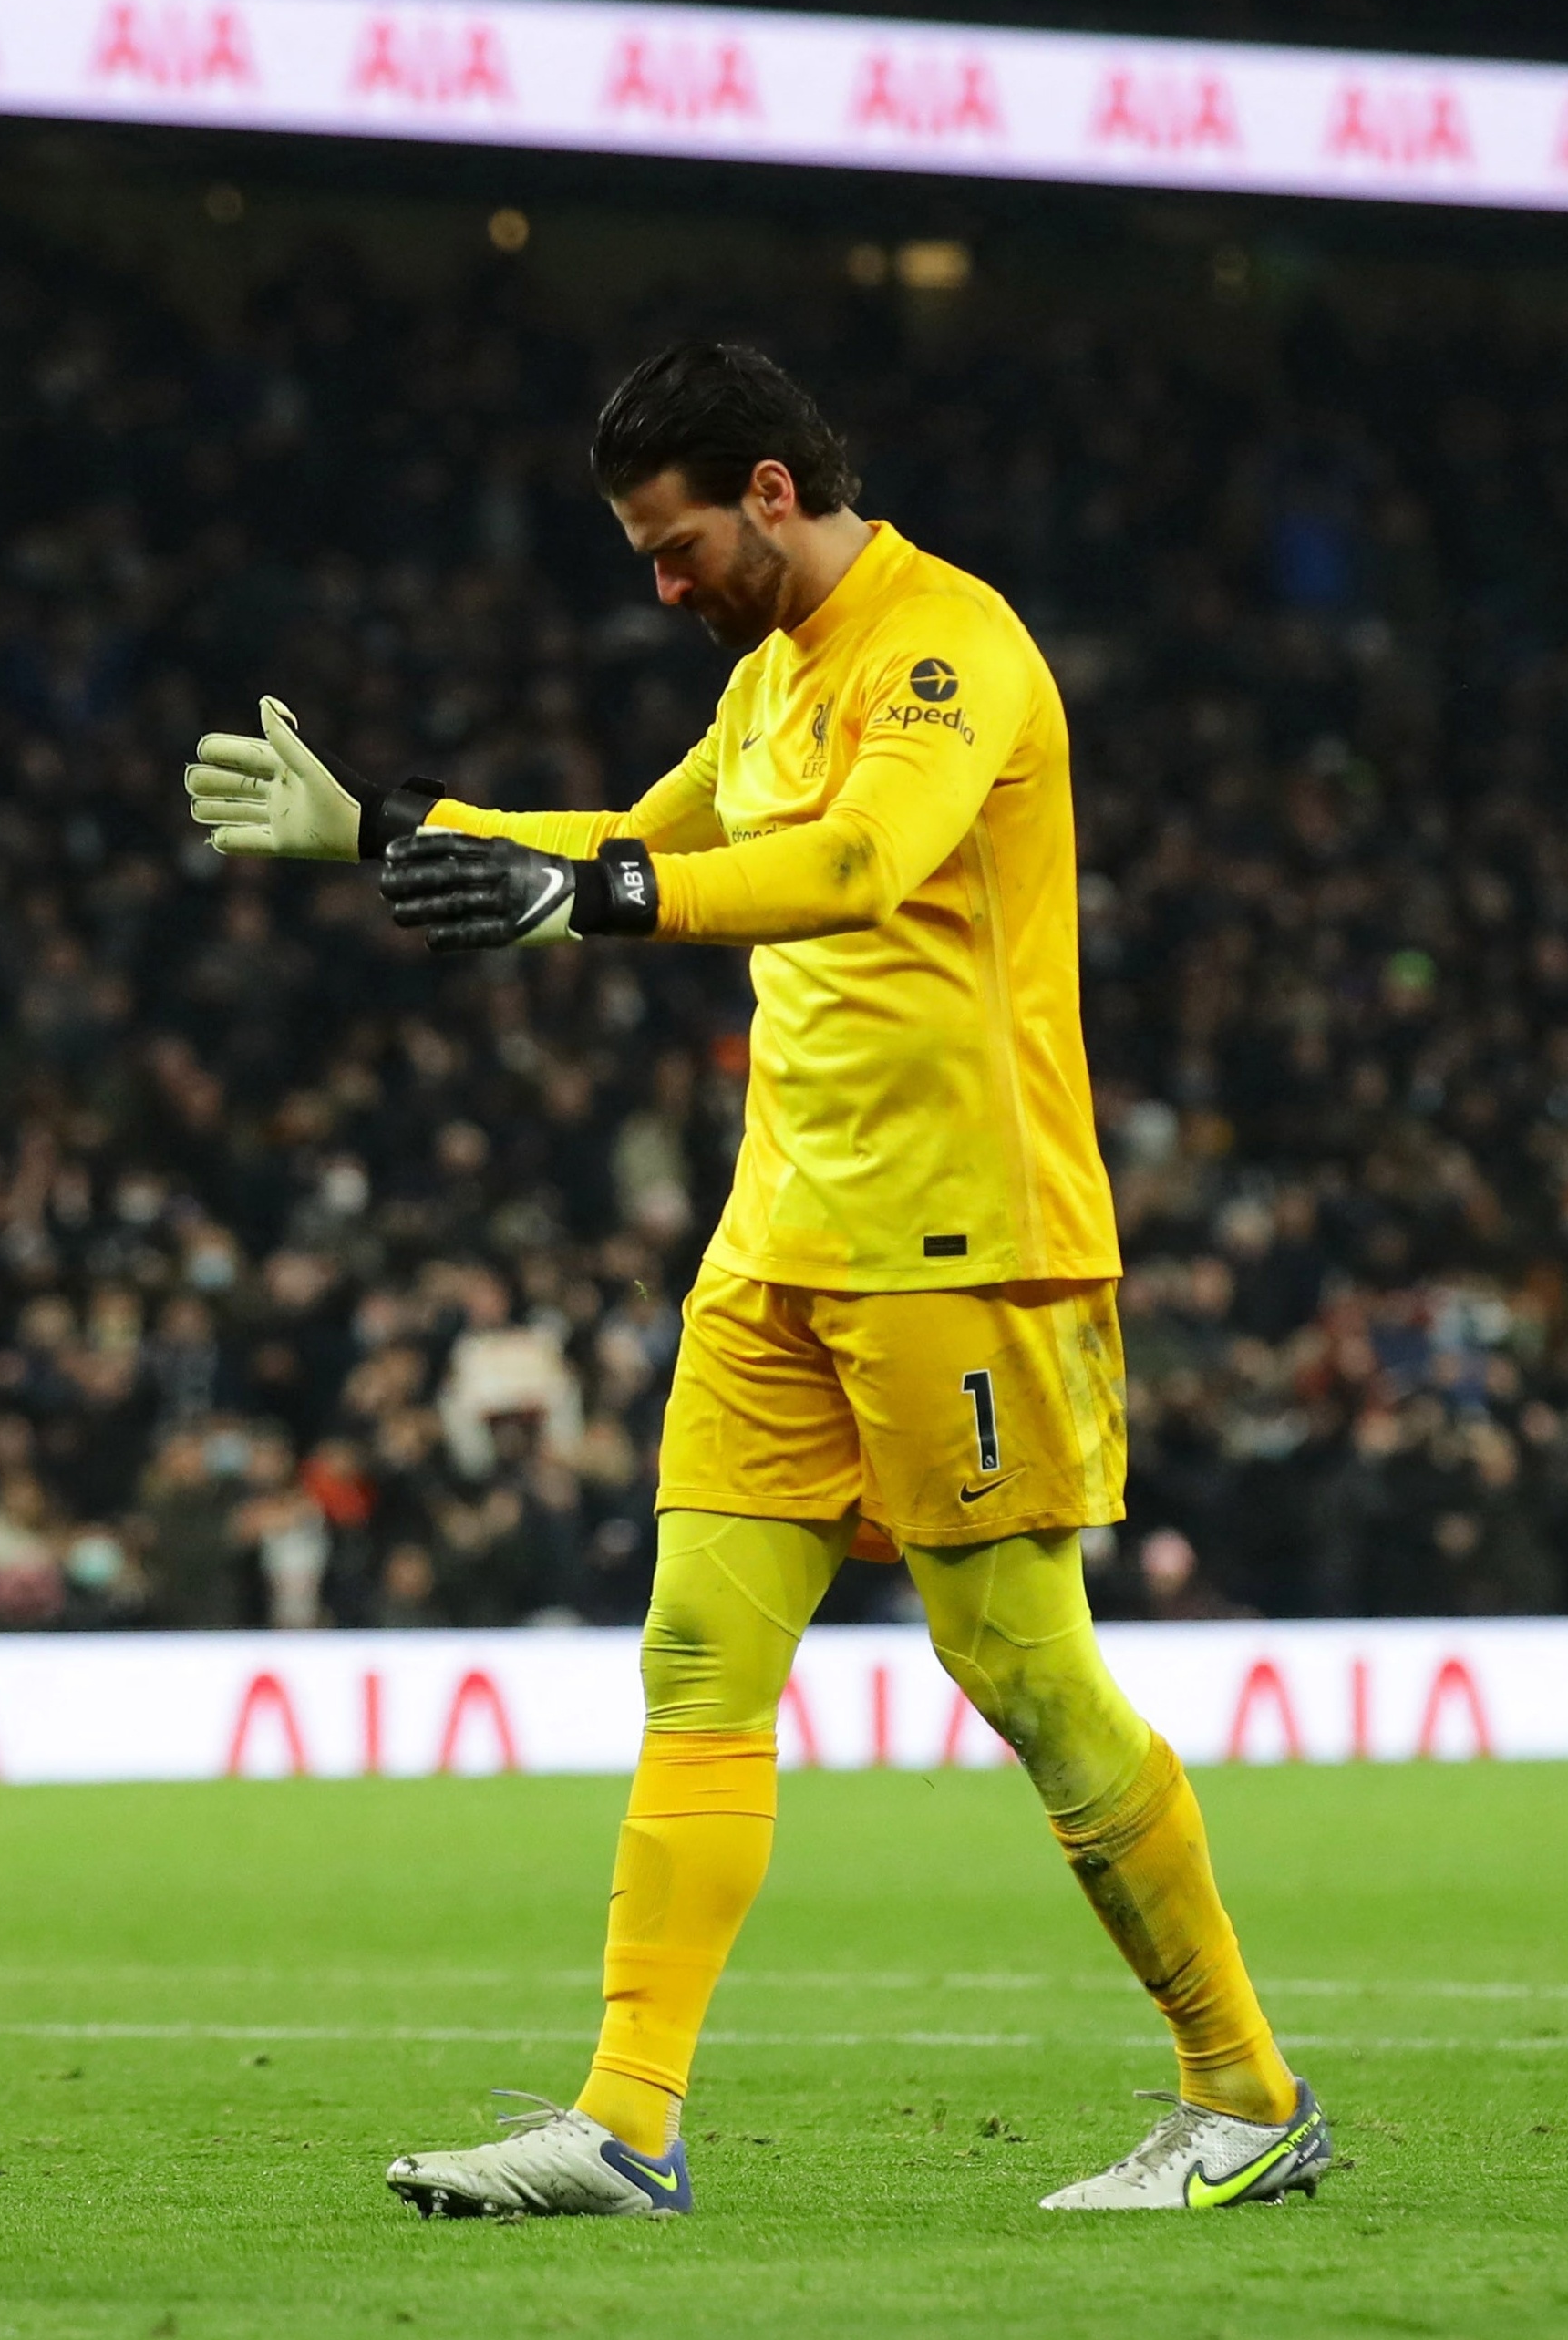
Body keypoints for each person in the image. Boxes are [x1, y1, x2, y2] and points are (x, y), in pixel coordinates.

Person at [186, 340, 1327, 2218]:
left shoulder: (946, 651)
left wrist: (613, 901)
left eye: (675, 541)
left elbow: (865, 859)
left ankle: (1245, 2092)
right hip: (779, 1247)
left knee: (1024, 1672)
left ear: (773, 493)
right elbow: (633, 841)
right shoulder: (770, 681)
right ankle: (626, 2120)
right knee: (699, 1657)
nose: (663, 583)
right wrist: (393, 830)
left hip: (962, 1240)